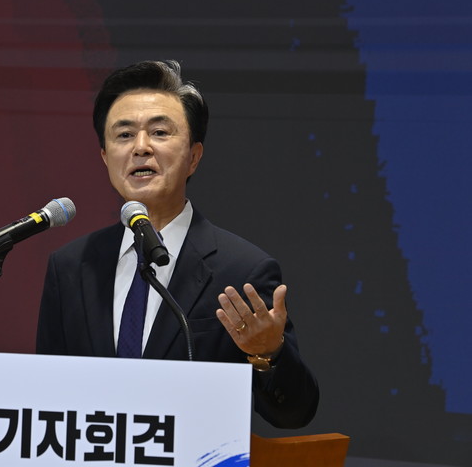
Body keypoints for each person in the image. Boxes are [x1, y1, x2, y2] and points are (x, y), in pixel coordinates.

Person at [36, 60, 318, 429]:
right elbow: (46, 394)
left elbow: (293, 412)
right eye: (124, 135)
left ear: (194, 157)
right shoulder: (71, 266)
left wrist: (268, 353)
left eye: (159, 132)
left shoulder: (242, 270)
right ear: (105, 157)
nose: (140, 147)